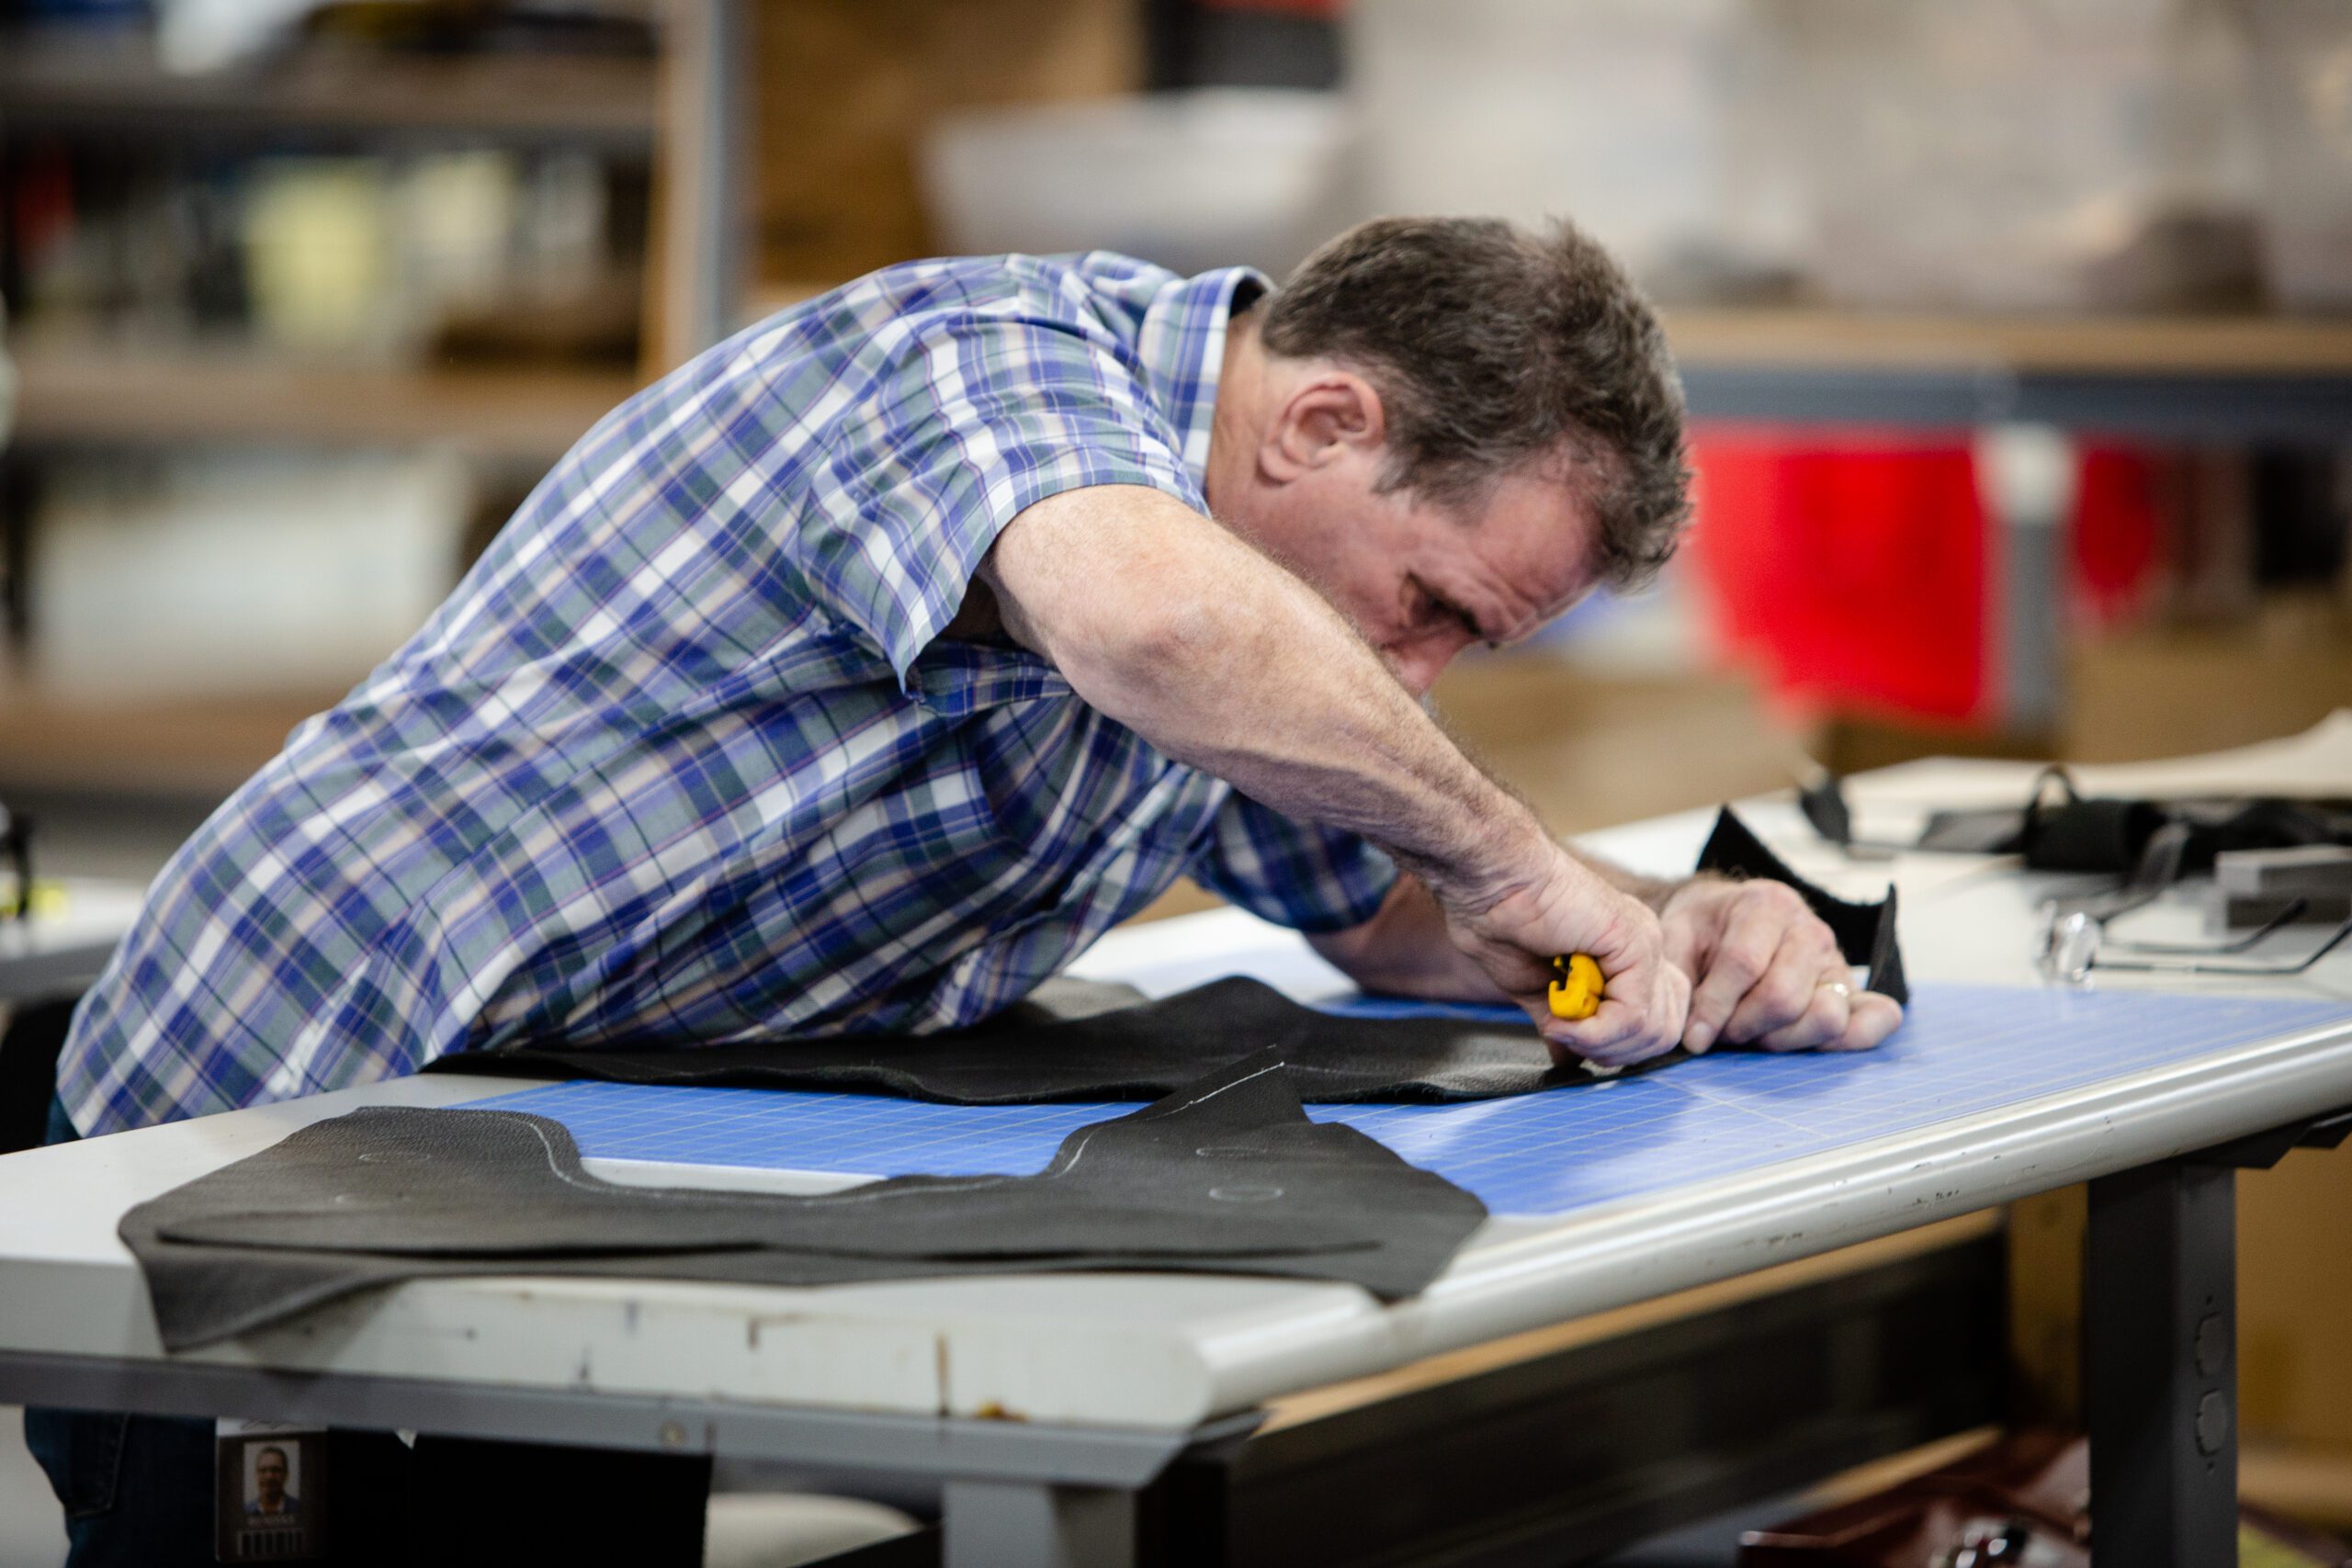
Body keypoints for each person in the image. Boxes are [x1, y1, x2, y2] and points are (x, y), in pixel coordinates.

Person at [33, 215, 1902, 1558]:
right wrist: (1507, 843)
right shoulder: (983, 361)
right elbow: (1158, 622)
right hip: (258, 1137)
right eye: (1431, 608)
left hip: (546, 1174)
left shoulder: (1271, 639)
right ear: (1319, 425)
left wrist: (1651, 936)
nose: (1411, 677)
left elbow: (1396, 904)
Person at [243, 1446, 297, 1519]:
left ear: (286, 1475)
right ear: (256, 1475)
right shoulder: (244, 1511)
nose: (269, 1477)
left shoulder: (300, 1508)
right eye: (263, 1470)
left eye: (276, 1470)